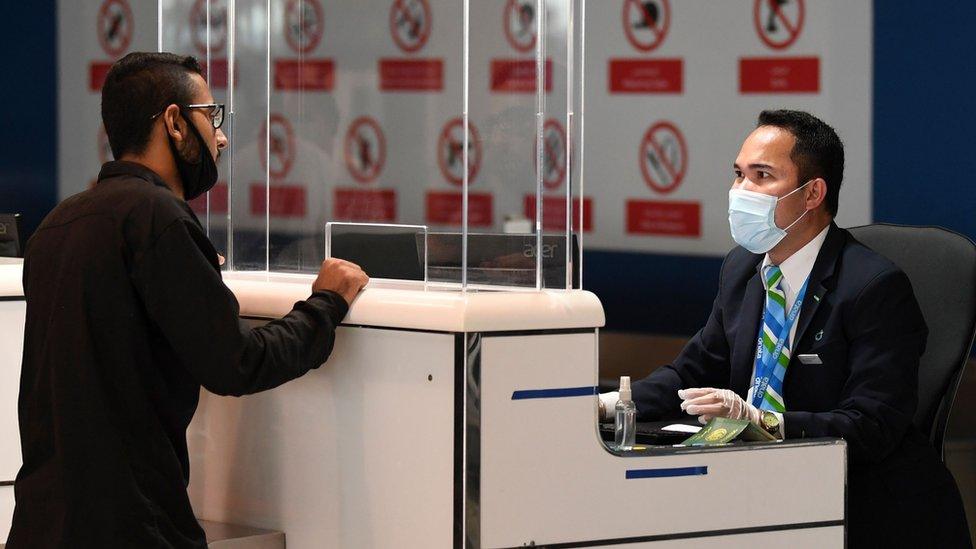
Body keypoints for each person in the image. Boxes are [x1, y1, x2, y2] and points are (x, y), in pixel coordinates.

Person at [6, 52, 369, 548]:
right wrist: (326, 303)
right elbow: (238, 362)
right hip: (133, 528)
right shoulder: (158, 218)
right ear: (175, 123)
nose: (220, 137)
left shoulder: (58, 224)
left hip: (37, 527)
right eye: (211, 115)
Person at [600, 110, 970, 547]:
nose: (741, 192)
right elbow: (690, 373)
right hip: (754, 485)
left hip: (862, 501)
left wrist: (760, 421)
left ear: (812, 193)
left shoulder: (873, 288)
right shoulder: (742, 269)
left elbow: (871, 426)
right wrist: (604, 406)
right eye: (738, 175)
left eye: (762, 176)